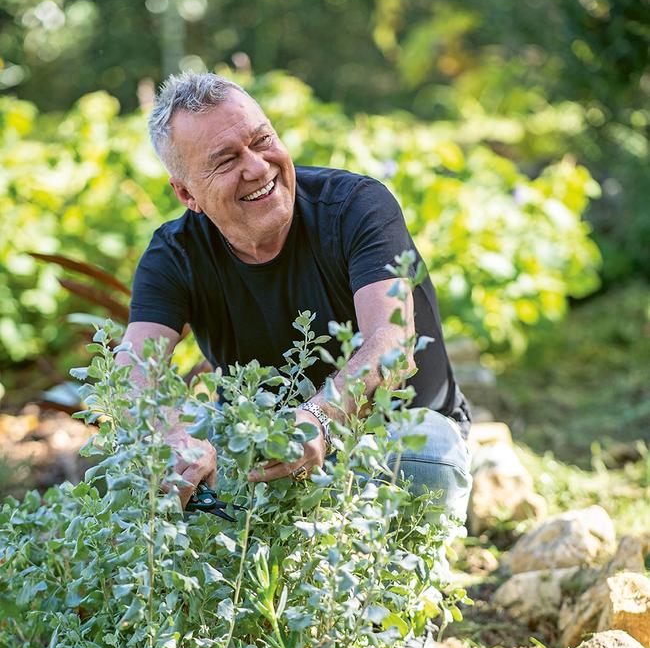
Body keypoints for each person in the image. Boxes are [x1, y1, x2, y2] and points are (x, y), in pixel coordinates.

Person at [119, 72, 472, 521]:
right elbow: (133, 367)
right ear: (187, 193)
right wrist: (169, 436)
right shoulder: (174, 253)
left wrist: (319, 419)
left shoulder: (356, 206)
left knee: (431, 464)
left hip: (389, 432)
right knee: (158, 480)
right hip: (265, 455)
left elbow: (392, 343)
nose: (258, 167)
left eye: (262, 139)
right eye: (226, 160)